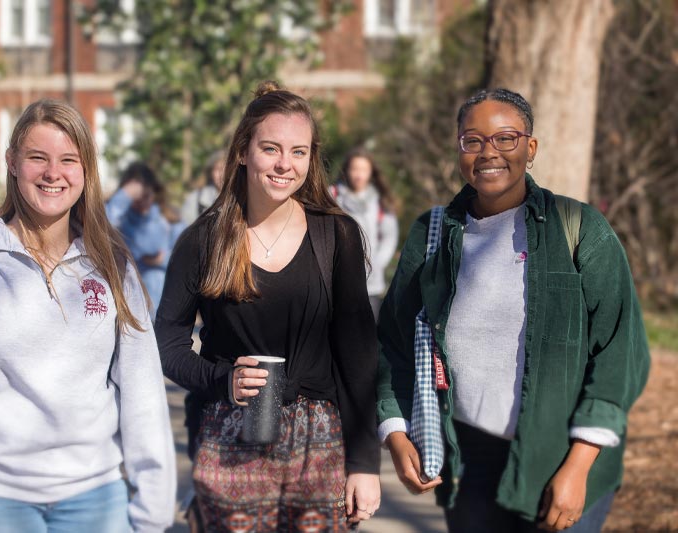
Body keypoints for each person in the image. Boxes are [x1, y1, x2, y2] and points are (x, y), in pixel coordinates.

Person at [376, 88, 650, 533]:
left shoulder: (579, 229)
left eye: (506, 138)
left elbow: (620, 355)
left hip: (559, 453)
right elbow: (393, 340)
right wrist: (394, 429)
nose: (489, 153)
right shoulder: (432, 233)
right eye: (473, 140)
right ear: (459, 148)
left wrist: (578, 466)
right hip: (468, 462)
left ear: (531, 147)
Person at [0, 99, 176, 532]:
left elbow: (142, 395)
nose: (54, 173)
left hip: (96, 501)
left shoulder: (112, 265)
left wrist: (154, 513)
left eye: (69, 160)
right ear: (12, 163)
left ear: (86, 171)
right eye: (38, 158)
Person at [155, 81, 381, 532]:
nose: (285, 164)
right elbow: (166, 339)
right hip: (229, 435)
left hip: (321, 444)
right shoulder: (204, 238)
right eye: (271, 149)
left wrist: (364, 462)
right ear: (242, 151)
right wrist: (221, 380)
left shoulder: (335, 235)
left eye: (299, 152)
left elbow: (358, 355)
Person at [331, 148, 399, 321]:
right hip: (335, 281)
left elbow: (389, 237)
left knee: (369, 334)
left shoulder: (380, 201)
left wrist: (377, 263)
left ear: (371, 172)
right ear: (346, 170)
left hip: (370, 284)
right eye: (355, 169)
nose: (359, 175)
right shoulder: (332, 196)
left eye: (364, 170)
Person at [106, 161, 184, 313]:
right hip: (124, 306)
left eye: (146, 195)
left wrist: (162, 260)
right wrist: (124, 196)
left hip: (160, 307)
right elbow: (100, 230)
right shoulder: (118, 218)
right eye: (135, 197)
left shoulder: (169, 219)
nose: (142, 202)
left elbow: (187, 259)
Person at [180, 150, 225, 225]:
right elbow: (184, 231)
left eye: (227, 168)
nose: (222, 174)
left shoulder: (245, 199)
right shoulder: (195, 200)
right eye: (218, 169)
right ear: (210, 173)